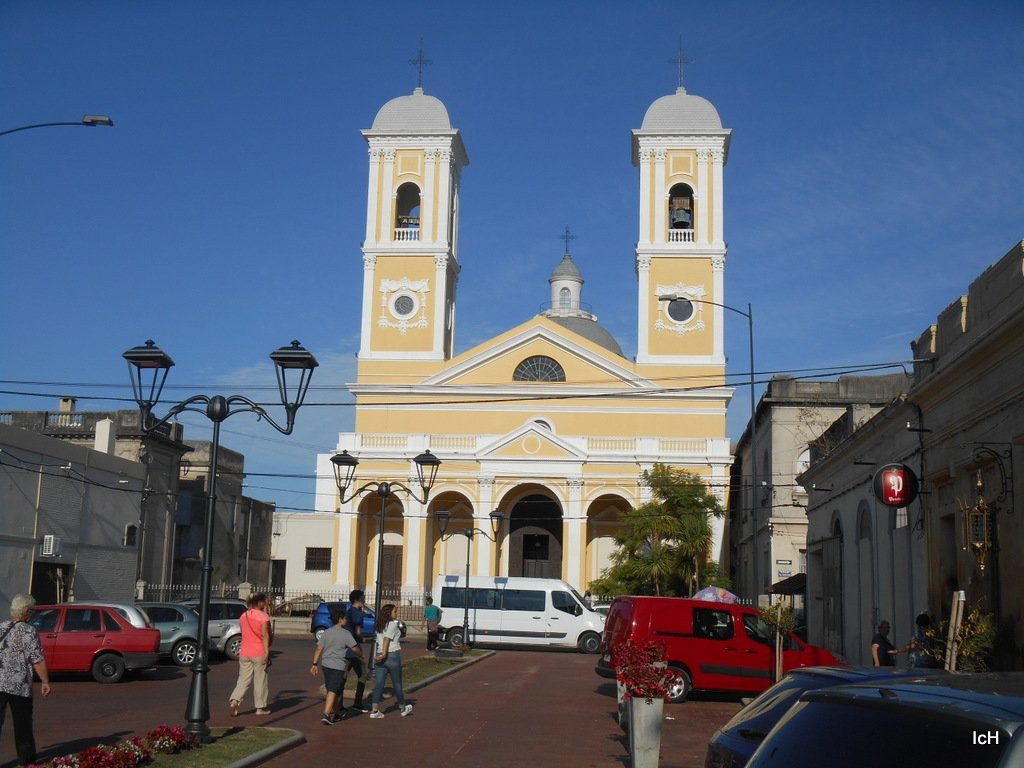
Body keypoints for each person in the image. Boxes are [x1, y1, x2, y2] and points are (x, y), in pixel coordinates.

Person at [0, 594, 52, 767]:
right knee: (23, 725)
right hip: (19, 685)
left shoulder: (1, 627)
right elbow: (36, 659)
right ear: (27, 612)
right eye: (33, 611)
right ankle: (25, 761)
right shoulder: (29, 631)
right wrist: (45, 681)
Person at [311, 608, 364, 725]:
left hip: (325, 665)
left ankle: (337, 712)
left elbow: (319, 648)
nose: (346, 620)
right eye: (344, 618)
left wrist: (314, 664)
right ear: (340, 620)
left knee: (334, 689)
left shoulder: (327, 632)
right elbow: (354, 647)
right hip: (338, 666)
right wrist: (361, 654)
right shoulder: (346, 633)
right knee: (333, 690)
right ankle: (326, 714)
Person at [229, 592, 273, 716]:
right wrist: (267, 651)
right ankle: (260, 708)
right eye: (264, 601)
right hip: (258, 652)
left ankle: (234, 701)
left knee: (243, 680)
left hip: (244, 652)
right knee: (260, 680)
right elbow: (265, 635)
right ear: (259, 603)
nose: (265, 603)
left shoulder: (244, 616)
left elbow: (244, 633)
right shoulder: (263, 616)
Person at [369, 604, 413, 719]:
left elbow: (381, 639)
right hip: (391, 655)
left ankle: (374, 709)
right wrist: (384, 654)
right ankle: (402, 707)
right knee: (397, 683)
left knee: (379, 684)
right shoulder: (392, 624)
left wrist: (381, 654)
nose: (396, 613)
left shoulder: (379, 625)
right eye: (395, 611)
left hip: (380, 655)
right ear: (389, 613)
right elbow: (386, 639)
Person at [343, 590, 370, 713]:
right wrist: (364, 639)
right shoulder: (358, 614)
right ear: (359, 600)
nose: (364, 601)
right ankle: (358, 702)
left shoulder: (348, 612)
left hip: (344, 648)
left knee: (342, 677)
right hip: (355, 650)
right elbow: (358, 632)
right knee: (362, 675)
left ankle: (338, 704)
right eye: (363, 598)